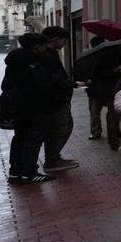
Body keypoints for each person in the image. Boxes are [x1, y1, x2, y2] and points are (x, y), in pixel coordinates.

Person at [1, 33, 57, 184]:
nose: (46, 48)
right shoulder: (35, 64)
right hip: (35, 109)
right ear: (36, 47)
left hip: (18, 109)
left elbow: (5, 86)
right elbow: (44, 89)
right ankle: (29, 173)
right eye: (44, 45)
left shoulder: (15, 62)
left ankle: (15, 172)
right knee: (33, 140)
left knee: (19, 139)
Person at [40, 25, 79, 174]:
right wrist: (72, 83)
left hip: (58, 98)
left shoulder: (49, 54)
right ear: (56, 39)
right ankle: (52, 159)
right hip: (57, 99)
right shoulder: (49, 56)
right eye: (64, 41)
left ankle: (54, 157)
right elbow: (56, 78)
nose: (64, 44)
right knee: (60, 128)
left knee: (64, 127)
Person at [89, 41, 121, 150]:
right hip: (106, 91)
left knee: (114, 116)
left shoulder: (120, 57)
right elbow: (99, 74)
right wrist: (115, 70)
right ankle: (113, 142)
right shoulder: (103, 58)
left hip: (112, 91)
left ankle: (115, 136)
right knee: (111, 117)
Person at [86, 36, 107, 140]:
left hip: (99, 88)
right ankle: (96, 131)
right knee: (96, 113)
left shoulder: (91, 57)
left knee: (95, 112)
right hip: (101, 88)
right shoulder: (90, 57)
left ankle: (96, 131)